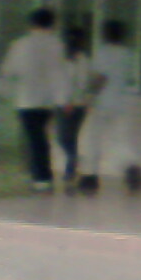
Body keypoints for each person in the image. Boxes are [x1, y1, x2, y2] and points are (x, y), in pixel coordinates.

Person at [0, 8, 66, 192]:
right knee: (40, 137)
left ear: (32, 23)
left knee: (34, 138)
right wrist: (62, 99)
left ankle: (41, 176)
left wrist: (4, 91)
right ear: (52, 24)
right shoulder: (56, 45)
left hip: (26, 99)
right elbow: (59, 74)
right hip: (47, 101)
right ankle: (38, 173)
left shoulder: (20, 44)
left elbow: (8, 71)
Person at [77, 19, 141, 195]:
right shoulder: (128, 54)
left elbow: (100, 78)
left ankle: (89, 177)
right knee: (120, 140)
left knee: (92, 139)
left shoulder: (103, 53)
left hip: (102, 103)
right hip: (121, 103)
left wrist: (88, 96)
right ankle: (131, 167)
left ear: (105, 34)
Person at [55, 26, 91, 189]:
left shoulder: (82, 60)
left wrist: (68, 101)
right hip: (63, 103)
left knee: (65, 137)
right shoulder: (63, 58)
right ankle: (73, 164)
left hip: (74, 104)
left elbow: (81, 83)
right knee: (66, 138)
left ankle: (71, 168)